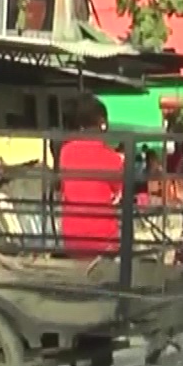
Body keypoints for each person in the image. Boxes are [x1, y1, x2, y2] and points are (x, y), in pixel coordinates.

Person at [58, 94, 126, 259]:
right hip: (103, 240)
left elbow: (65, 188)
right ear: (102, 123)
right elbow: (119, 194)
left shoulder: (65, 151)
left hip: (71, 238)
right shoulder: (112, 158)